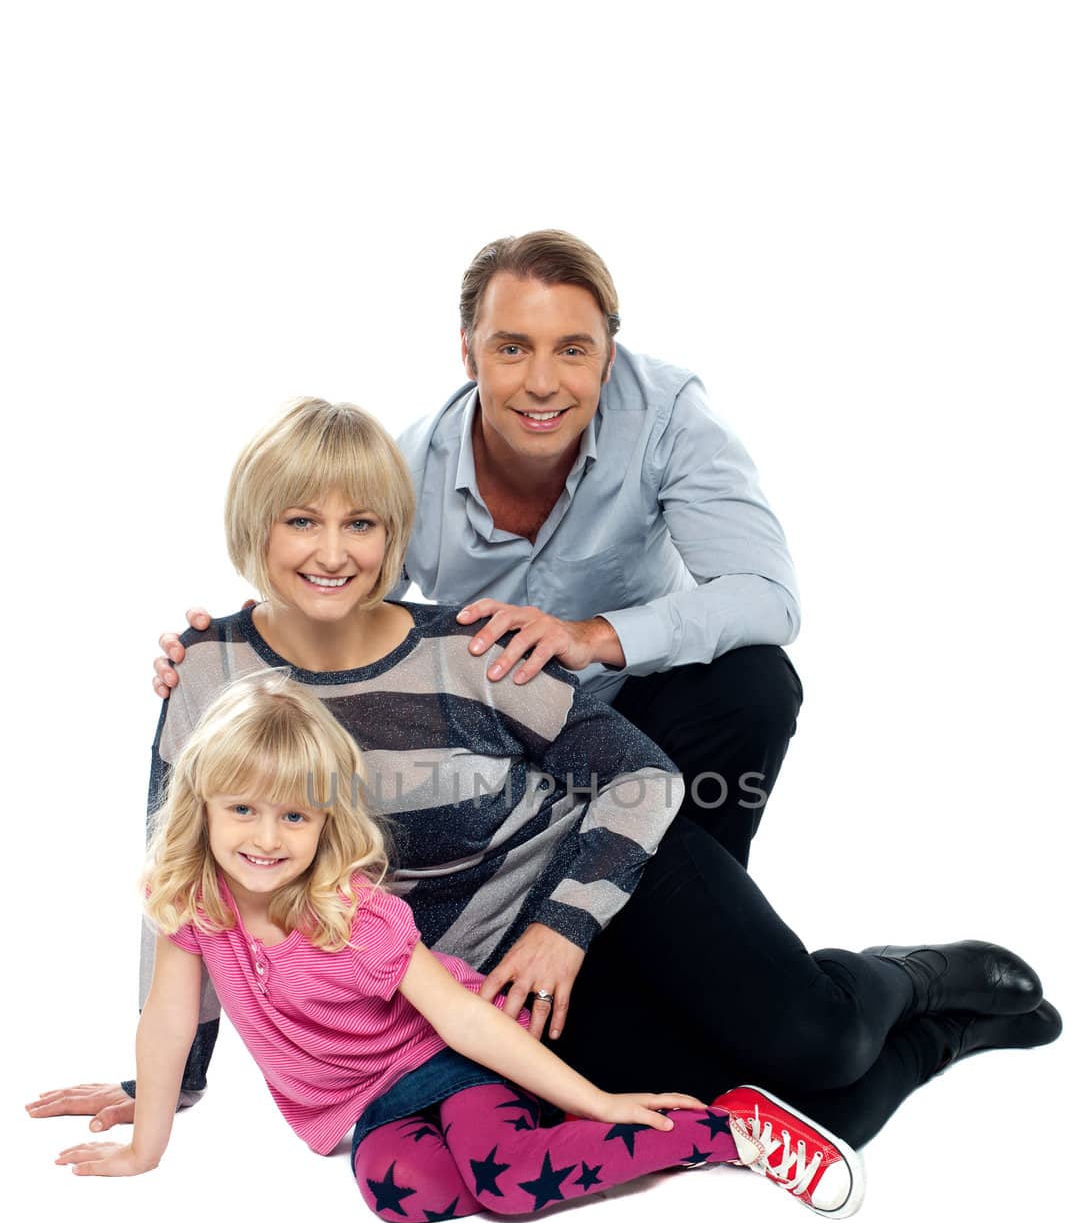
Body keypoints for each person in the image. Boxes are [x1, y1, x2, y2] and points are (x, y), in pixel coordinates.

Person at [29, 399, 1059, 1183]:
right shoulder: (208, 673)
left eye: (363, 523)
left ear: (396, 533)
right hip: (478, 990)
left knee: (821, 1040)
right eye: (302, 521)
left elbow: (643, 778)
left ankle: (907, 978)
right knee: (748, 1108)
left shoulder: (467, 649)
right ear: (257, 527)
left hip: (600, 890)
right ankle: (942, 1039)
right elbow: (182, 876)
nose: (333, 552)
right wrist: (170, 1080)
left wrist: (565, 923)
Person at [52, 672, 864, 1222]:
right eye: (242, 812)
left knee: (506, 1180)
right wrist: (145, 1148)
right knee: (393, 1193)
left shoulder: (351, 916)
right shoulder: (192, 900)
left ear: (326, 824)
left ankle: (723, 1132)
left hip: (447, 1057)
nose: (266, 839)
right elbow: (168, 1019)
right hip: (368, 1104)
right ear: (201, 807)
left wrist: (602, 1104)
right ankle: (547, 1139)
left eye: (293, 816)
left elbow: (466, 1022)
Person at [153, 230, 804, 869]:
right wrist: (234, 654)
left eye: (572, 350)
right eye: (512, 349)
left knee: (754, 683)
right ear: (468, 354)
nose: (542, 383)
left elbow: (766, 597)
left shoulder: (669, 418)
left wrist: (592, 636)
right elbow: (341, 602)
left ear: (609, 356)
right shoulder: (408, 471)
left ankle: (698, 915)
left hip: (641, 704)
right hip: (500, 735)